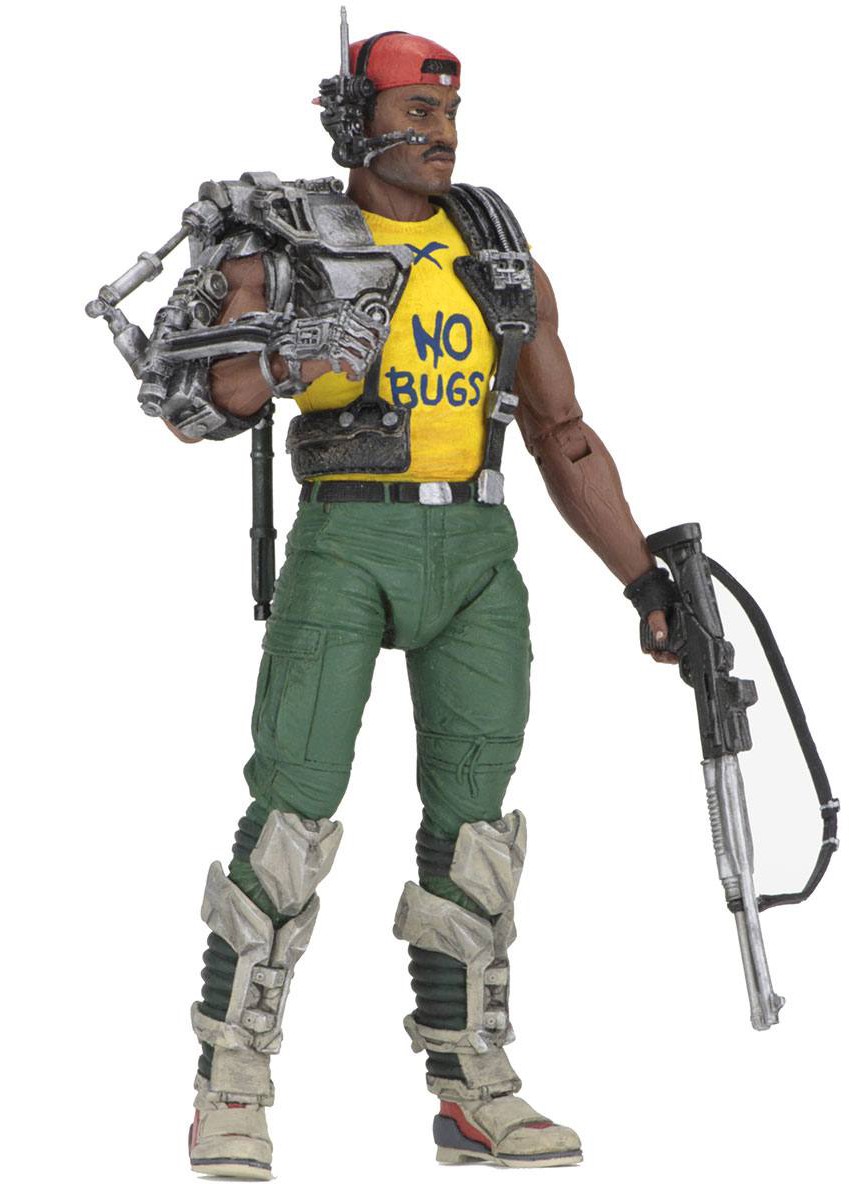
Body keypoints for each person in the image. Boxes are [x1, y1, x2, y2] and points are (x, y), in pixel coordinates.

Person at [157, 27, 677, 1179]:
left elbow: (561, 430)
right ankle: (229, 1086)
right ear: (356, 121)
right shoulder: (294, 242)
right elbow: (197, 398)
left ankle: (471, 1089)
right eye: (416, 113)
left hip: (478, 547)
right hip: (350, 533)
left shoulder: (493, 247)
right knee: (291, 812)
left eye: (450, 115)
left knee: (477, 832)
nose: (441, 135)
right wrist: (288, 359)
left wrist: (642, 576)